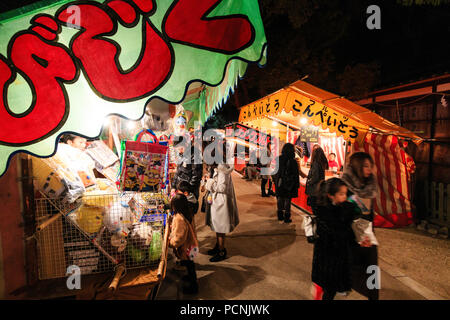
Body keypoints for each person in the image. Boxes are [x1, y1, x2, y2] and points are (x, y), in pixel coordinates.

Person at [311, 178, 359, 300]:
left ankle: (320, 288)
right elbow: (336, 232)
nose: (345, 197)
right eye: (341, 194)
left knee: (332, 286)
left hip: (339, 256)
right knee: (330, 288)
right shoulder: (326, 213)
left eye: (345, 194)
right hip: (328, 258)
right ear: (331, 196)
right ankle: (320, 289)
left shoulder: (344, 208)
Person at [342, 152, 379, 300]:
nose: (369, 169)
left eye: (371, 166)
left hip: (367, 231)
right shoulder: (344, 185)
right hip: (350, 231)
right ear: (357, 166)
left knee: (371, 265)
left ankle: (373, 295)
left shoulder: (371, 184)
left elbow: (369, 211)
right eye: (365, 166)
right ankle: (345, 284)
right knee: (351, 263)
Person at [205, 148, 239, 262]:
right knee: (217, 226)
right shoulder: (218, 167)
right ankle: (218, 246)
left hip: (221, 202)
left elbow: (221, 187)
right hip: (218, 201)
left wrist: (208, 182)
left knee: (220, 228)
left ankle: (221, 251)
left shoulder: (222, 169)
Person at [169, 194, 199, 294]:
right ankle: (192, 281)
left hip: (186, 248)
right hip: (192, 245)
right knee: (190, 265)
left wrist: (171, 243)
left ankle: (193, 288)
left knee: (190, 266)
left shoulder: (179, 218)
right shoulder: (188, 212)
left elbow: (179, 238)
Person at [171, 137, 203, 214]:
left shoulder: (195, 155)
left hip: (188, 191)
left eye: (181, 148)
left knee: (189, 212)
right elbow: (178, 172)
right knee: (181, 212)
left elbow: (196, 176)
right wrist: (173, 186)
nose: (180, 151)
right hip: (181, 189)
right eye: (178, 149)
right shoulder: (181, 155)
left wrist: (187, 191)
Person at [273, 143, 300, 223]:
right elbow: (296, 174)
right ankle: (287, 217)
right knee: (288, 199)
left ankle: (280, 215)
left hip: (280, 182)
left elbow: (275, 171)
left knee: (280, 197)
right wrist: (296, 184)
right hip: (289, 183)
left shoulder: (278, 159)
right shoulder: (293, 161)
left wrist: (275, 180)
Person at [305, 147, 329, 215]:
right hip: (319, 188)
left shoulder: (316, 163)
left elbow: (315, 177)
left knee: (314, 208)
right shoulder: (322, 163)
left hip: (314, 190)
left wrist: (309, 182)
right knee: (318, 208)